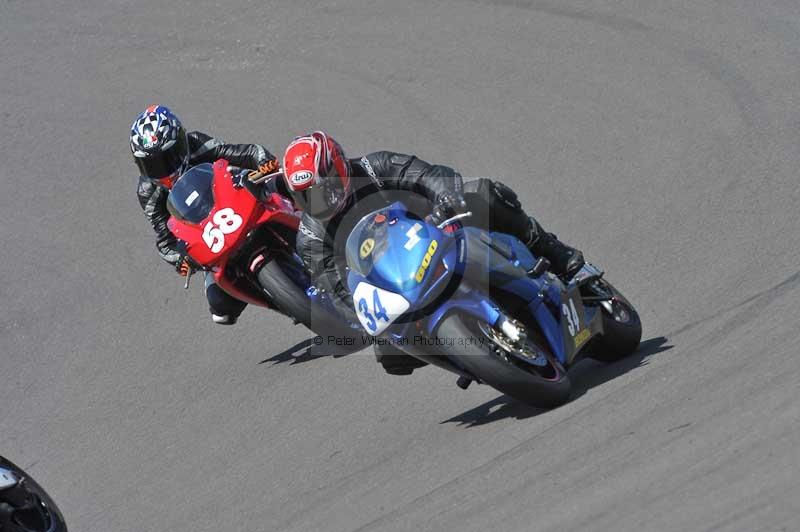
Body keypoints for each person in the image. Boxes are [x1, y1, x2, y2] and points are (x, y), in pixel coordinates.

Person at [281, 131, 584, 374]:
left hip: (440, 236)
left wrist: (447, 197)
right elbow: (333, 286)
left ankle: (554, 253)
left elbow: (427, 174)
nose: (320, 201)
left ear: (338, 166)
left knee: (484, 194)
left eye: (325, 188)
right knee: (390, 356)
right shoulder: (310, 237)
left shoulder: (375, 168)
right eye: (307, 197)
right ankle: (476, 361)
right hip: (397, 288)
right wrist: (359, 315)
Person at [131, 105, 280, 325]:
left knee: (291, 185)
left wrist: (264, 163)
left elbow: (248, 152)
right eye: (151, 165)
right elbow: (165, 241)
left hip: (242, 203)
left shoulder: (197, 145)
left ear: (181, 144)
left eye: (167, 158)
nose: (162, 169)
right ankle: (287, 303)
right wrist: (181, 260)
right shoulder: (148, 192)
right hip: (211, 237)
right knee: (221, 309)